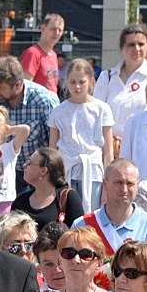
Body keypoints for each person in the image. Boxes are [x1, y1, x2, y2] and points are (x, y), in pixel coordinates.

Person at [49, 59, 115, 213]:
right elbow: (52, 150)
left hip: (93, 171)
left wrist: (108, 180)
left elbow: (108, 151)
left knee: (91, 214)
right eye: (72, 82)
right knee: (67, 214)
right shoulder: (58, 111)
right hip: (67, 170)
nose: (77, 86)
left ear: (91, 81)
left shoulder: (102, 109)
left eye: (81, 82)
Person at [81, 159, 147, 255]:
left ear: (137, 186)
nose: (124, 190)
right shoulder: (83, 224)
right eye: (118, 183)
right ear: (105, 184)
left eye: (130, 183)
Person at [0, 57, 58, 155]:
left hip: (37, 163)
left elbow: (57, 145)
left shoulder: (44, 102)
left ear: (17, 85)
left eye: (0, 88)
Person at [13, 146, 85, 228]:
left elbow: (79, 232)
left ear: (44, 171)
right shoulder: (20, 201)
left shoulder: (68, 197)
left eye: (29, 163)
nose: (24, 165)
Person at [99, 24, 147, 126]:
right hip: (110, 136)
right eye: (131, 45)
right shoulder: (106, 77)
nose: (137, 49)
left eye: (141, 44)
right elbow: (97, 113)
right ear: (122, 48)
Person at [57, 225, 114, 292]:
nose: (76, 260)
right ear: (60, 261)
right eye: (69, 253)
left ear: (99, 264)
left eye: (85, 255)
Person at [19, 13, 66, 94]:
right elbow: (25, 88)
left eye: (60, 30)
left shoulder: (54, 55)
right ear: (43, 28)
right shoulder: (32, 54)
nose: (56, 33)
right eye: (53, 29)